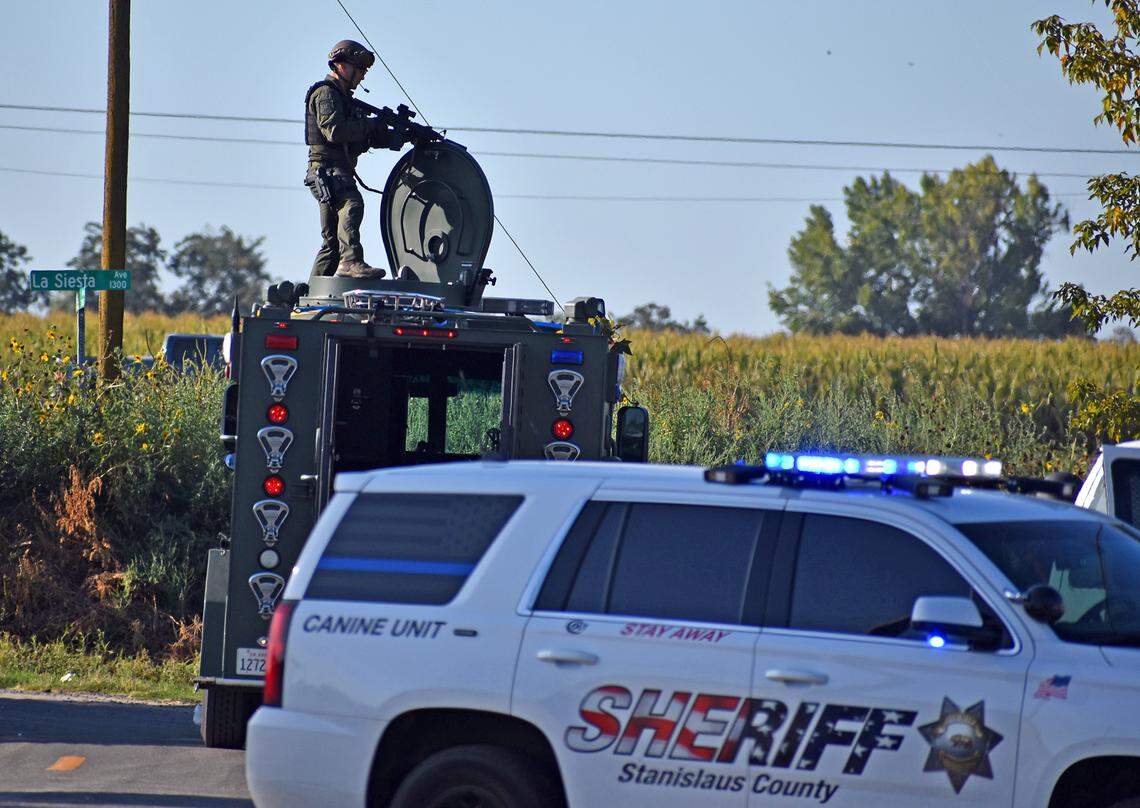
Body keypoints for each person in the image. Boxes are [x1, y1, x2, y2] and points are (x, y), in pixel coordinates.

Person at [304, 40, 404, 279]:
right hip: (326, 170)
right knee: (352, 203)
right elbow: (335, 131)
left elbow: (358, 138)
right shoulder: (325, 93)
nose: (361, 77)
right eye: (358, 70)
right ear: (341, 66)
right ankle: (351, 262)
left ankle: (307, 300)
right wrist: (370, 124)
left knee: (331, 246)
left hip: (334, 171)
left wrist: (392, 136)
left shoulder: (345, 99)